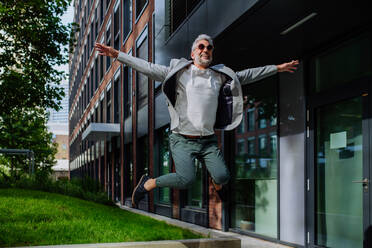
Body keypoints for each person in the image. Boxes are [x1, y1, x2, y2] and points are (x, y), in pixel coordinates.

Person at [94, 34, 298, 208]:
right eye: (201, 47)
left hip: (207, 140)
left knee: (223, 176)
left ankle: (217, 185)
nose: (205, 50)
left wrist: (277, 68)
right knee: (186, 179)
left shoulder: (219, 76)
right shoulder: (179, 73)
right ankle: (149, 183)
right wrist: (116, 55)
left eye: (209, 48)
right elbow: (146, 67)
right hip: (182, 139)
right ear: (193, 53)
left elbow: (247, 75)